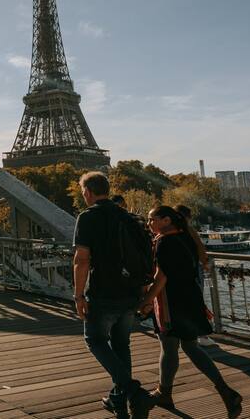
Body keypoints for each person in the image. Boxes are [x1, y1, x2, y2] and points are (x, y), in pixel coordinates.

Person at [138, 206, 242, 417]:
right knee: (189, 345)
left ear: (166, 220)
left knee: (169, 347)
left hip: (171, 302)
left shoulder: (163, 242)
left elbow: (161, 277)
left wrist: (146, 302)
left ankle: (165, 392)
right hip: (190, 298)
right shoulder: (185, 237)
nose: (149, 224)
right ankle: (223, 389)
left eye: (152, 220)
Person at [72, 172, 156, 419]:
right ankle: (119, 402)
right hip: (130, 293)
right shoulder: (127, 216)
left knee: (95, 340)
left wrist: (78, 295)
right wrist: (144, 293)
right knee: (122, 344)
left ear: (87, 192)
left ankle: (133, 392)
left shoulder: (87, 217)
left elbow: (82, 259)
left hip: (103, 292)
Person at [175, 205, 215, 347]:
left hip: (175, 272)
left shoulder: (169, 231)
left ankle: (183, 331)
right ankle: (201, 334)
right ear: (188, 217)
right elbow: (201, 249)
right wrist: (205, 263)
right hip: (192, 271)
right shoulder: (188, 230)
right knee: (197, 300)